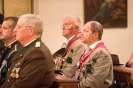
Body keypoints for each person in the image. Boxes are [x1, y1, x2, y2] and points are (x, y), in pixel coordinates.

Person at [1, 14, 54, 88]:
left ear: (30, 31)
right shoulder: (28, 49)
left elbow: (23, 85)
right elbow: (11, 80)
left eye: (19, 27)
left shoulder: (38, 53)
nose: (15, 30)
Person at [74, 21, 113, 88]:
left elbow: (94, 83)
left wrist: (73, 86)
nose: (81, 33)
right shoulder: (87, 50)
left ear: (95, 35)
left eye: (85, 31)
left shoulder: (102, 54)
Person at [0, 17, 22, 86]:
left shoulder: (16, 51)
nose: (0, 30)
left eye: (4, 28)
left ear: (14, 32)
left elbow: (10, 81)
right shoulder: (7, 48)